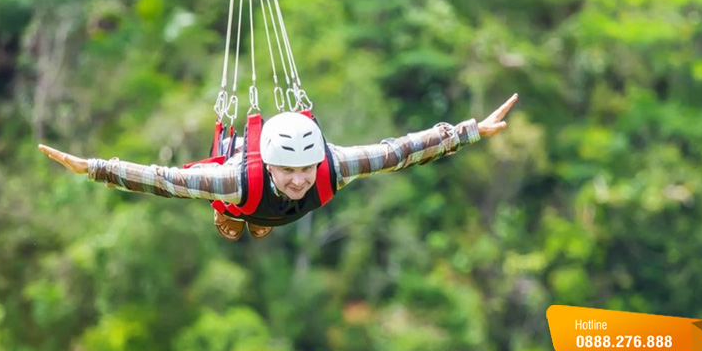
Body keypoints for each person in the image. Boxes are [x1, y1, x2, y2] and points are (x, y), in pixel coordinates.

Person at [39, 93, 518, 241]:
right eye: (288, 172)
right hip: (242, 198)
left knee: (275, 209)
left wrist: (471, 129)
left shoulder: (334, 166)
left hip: (265, 204)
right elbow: (165, 180)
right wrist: (95, 168)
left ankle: (254, 220)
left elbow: (401, 151)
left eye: (305, 170)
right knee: (236, 209)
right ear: (268, 165)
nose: (298, 179)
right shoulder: (233, 178)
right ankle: (234, 217)